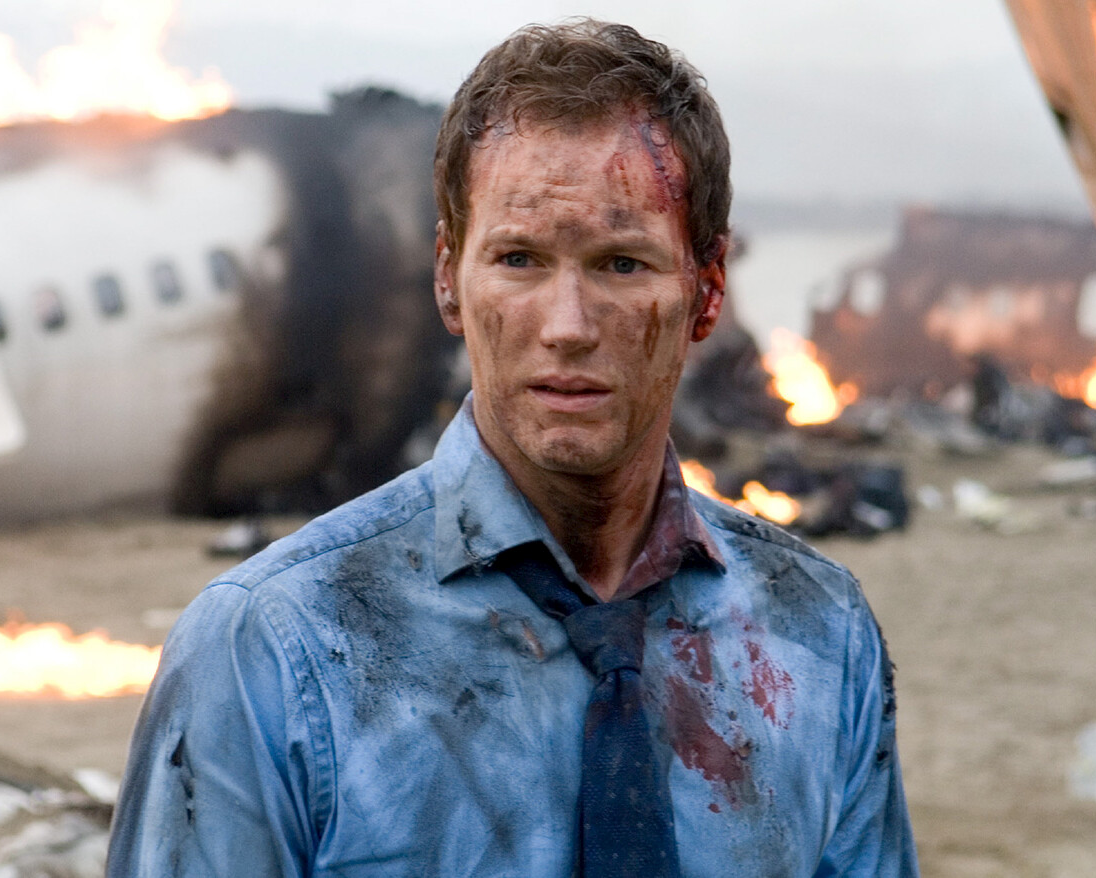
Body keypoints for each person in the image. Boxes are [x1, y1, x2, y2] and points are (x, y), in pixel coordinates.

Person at [108, 18, 917, 877]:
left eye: (622, 264)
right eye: (520, 259)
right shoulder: (271, 648)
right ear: (448, 279)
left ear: (707, 290)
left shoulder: (818, 635)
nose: (567, 327)